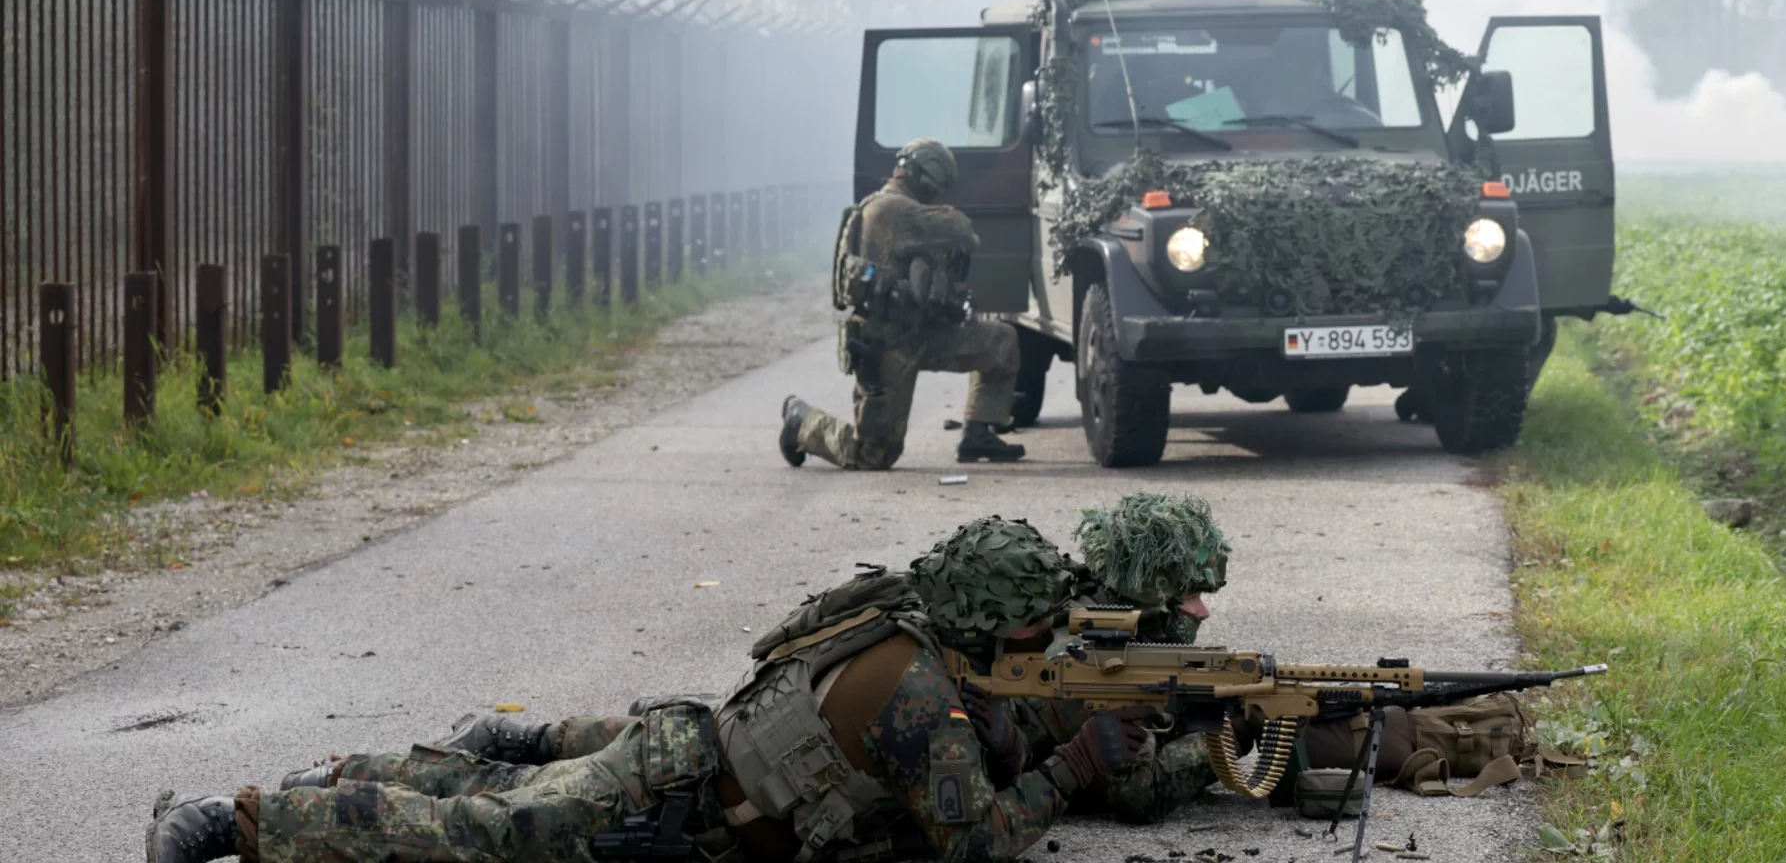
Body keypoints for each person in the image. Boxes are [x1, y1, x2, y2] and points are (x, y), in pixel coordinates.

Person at [145, 517, 1153, 863]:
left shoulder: (912, 615)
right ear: (990, 617)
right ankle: (235, 823)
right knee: (471, 835)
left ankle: (334, 776)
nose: (1043, 635)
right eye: (1032, 622)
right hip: (670, 800)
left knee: (478, 798)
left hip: (690, 760)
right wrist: (1071, 766)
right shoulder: (920, 698)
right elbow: (972, 844)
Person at [780, 138, 1025, 470]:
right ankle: (802, 422)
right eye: (937, 184)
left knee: (1000, 343)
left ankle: (978, 433)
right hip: (887, 347)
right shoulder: (894, 210)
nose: (937, 193)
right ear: (924, 175)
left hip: (919, 332)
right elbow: (964, 231)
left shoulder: (885, 205)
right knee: (872, 454)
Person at [1007, 493, 1235, 824]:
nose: (1203, 612)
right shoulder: (1094, 652)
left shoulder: (1105, 611)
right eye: (1192, 597)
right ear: (1153, 594)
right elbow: (1139, 793)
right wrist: (1230, 738)